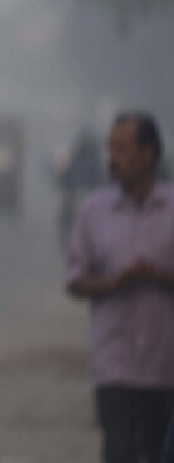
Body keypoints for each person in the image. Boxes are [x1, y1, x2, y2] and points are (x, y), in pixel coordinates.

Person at [67, 113, 174, 463]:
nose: (112, 157)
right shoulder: (93, 212)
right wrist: (116, 282)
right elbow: (76, 281)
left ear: (148, 154)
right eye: (110, 147)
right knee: (121, 453)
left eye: (121, 148)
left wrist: (158, 277)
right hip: (115, 366)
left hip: (166, 367)